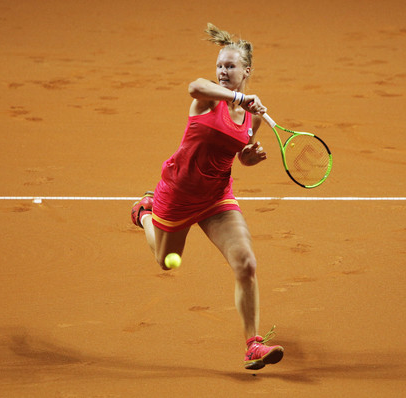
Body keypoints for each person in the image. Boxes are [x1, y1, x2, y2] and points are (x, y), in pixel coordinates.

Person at [130, 23, 283, 370]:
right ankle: (144, 214)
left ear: (246, 71)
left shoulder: (251, 118)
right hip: (178, 193)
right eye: (220, 66)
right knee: (167, 260)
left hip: (216, 197)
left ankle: (252, 344)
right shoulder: (207, 98)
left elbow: (239, 152)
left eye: (230, 67)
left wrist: (250, 157)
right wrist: (240, 97)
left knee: (246, 262)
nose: (222, 72)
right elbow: (194, 85)